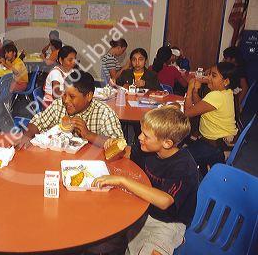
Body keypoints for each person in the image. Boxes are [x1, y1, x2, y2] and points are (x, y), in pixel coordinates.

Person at [93, 106, 199, 255]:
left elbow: (164, 201)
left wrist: (122, 181)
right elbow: (127, 153)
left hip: (168, 223)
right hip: (143, 210)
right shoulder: (149, 149)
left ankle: (176, 239)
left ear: (167, 143)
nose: (139, 137)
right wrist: (115, 147)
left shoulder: (184, 167)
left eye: (146, 135)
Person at [15, 70, 124, 149]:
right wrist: (26, 135)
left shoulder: (104, 113)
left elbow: (118, 145)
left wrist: (88, 134)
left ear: (89, 96)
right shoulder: (59, 105)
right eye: (64, 94)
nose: (66, 100)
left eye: (72, 96)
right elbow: (38, 122)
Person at [184, 62, 238, 177]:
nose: (208, 78)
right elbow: (200, 106)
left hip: (213, 146)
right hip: (218, 143)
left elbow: (187, 113)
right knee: (190, 150)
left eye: (213, 76)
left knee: (180, 158)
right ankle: (203, 174)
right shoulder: (226, 93)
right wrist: (195, 91)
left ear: (226, 81)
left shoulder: (216, 96)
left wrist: (189, 90)